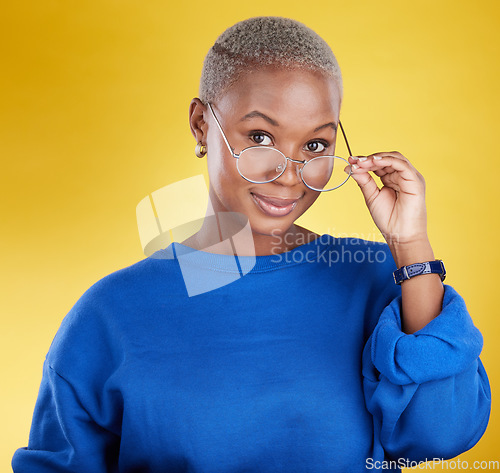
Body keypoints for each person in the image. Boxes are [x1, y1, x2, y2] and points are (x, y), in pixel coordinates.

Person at [12, 16, 490, 472]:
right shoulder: (110, 315)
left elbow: (439, 437)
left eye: (316, 145)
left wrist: (411, 247)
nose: (288, 174)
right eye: (260, 136)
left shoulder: (378, 282)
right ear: (202, 124)